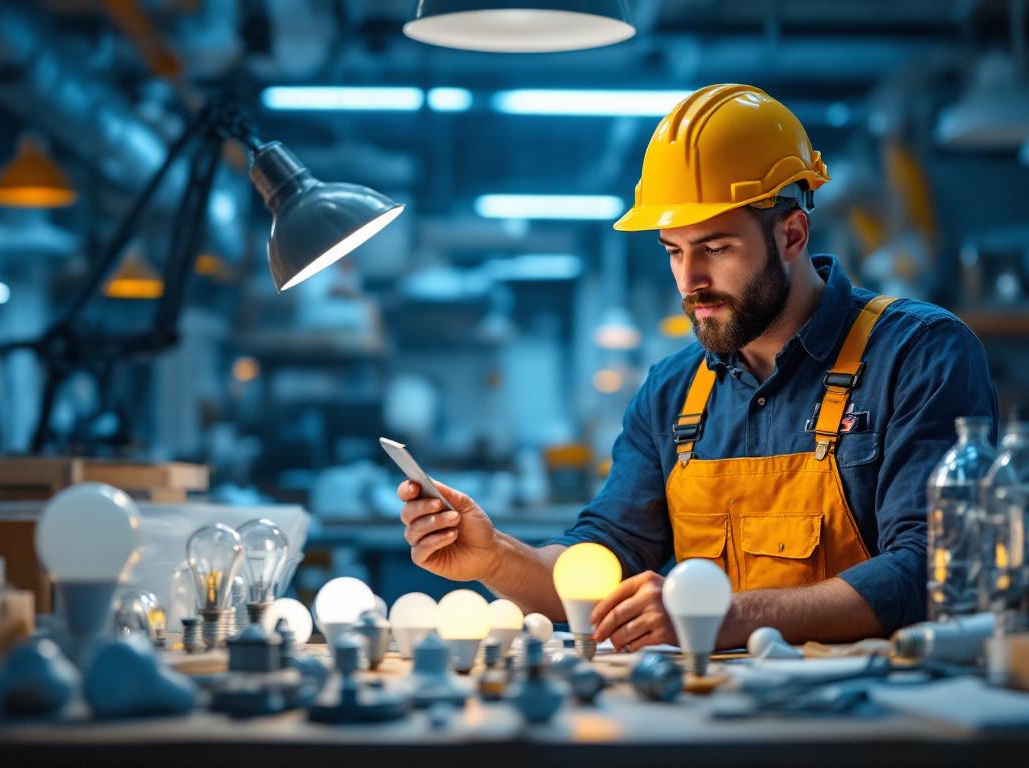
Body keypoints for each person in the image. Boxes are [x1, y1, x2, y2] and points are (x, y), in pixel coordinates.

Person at [397, 84, 997, 651]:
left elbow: (930, 571)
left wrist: (723, 616)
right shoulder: (672, 392)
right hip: (710, 713)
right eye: (674, 252)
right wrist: (494, 557)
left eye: (715, 248)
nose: (691, 282)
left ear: (792, 234)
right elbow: (600, 561)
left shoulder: (919, 354)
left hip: (878, 719)